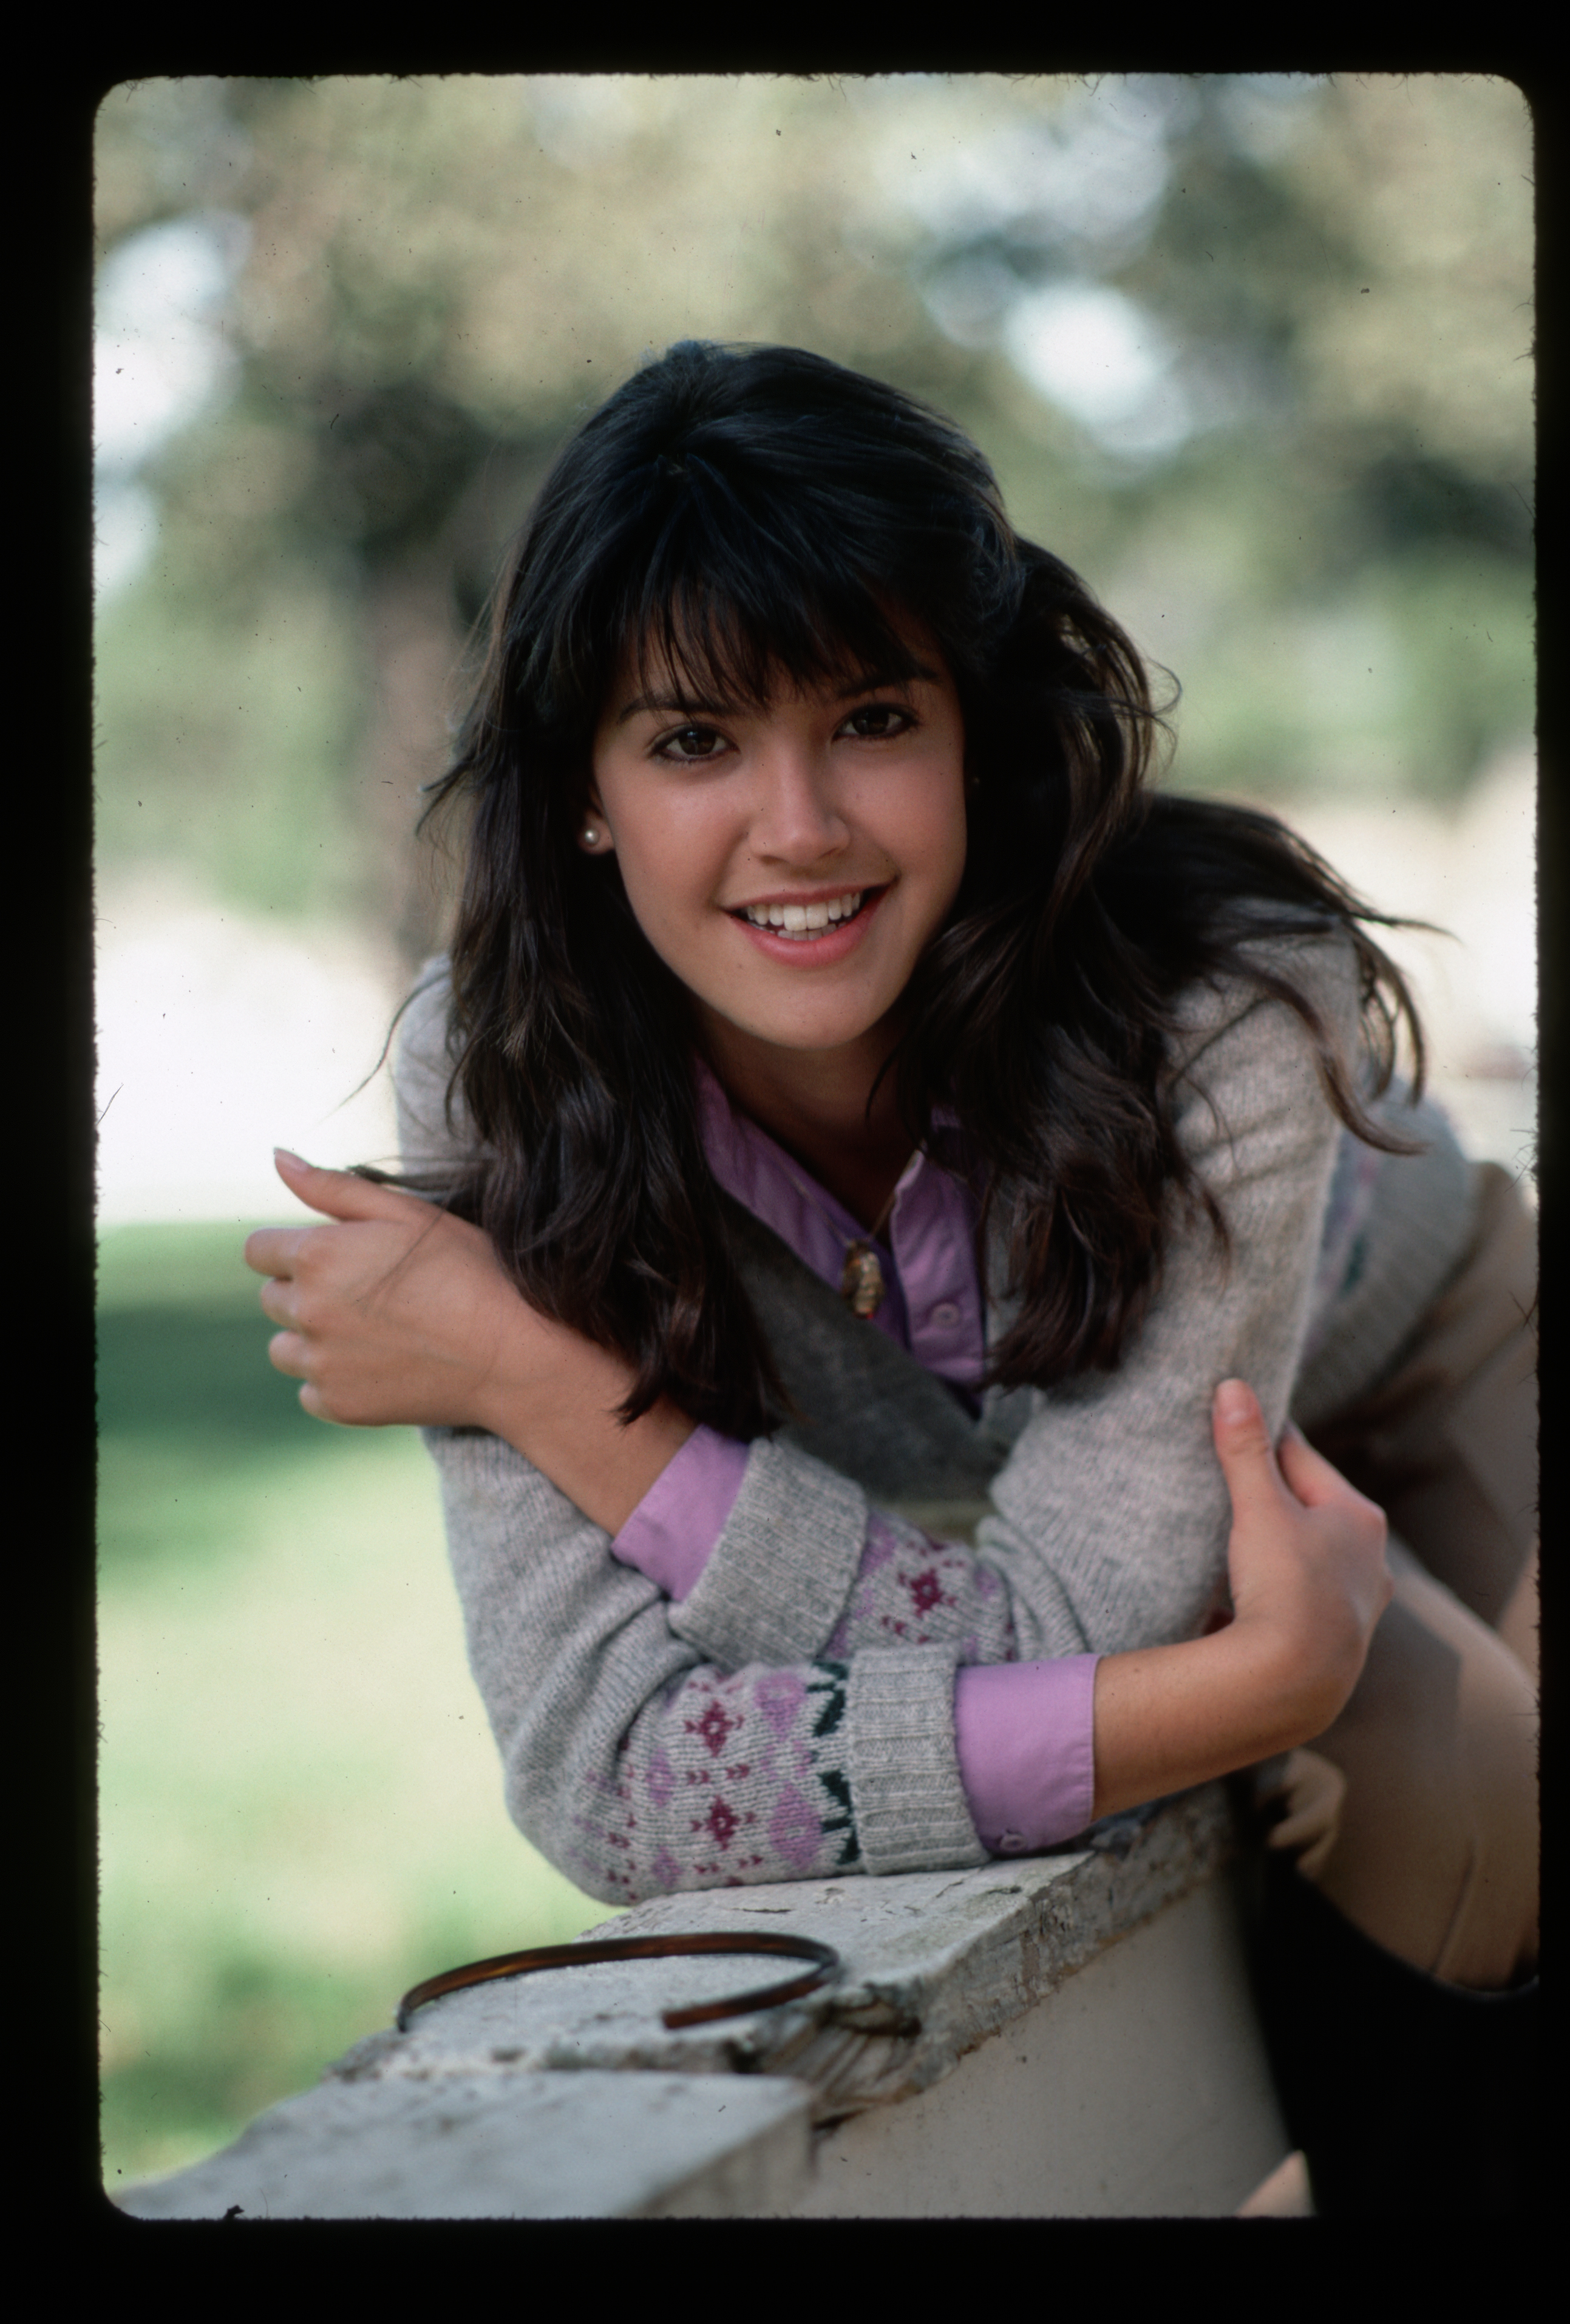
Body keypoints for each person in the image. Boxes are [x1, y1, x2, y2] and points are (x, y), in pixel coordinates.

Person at [244, 342, 1538, 2213]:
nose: (799, 826)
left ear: (974, 732)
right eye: (692, 739)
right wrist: (1248, 1689)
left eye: (866, 716)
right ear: (584, 788)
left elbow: (1071, 1609)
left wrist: (543, 1383)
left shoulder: (1221, 1000)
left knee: (1492, 1812)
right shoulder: (508, 1075)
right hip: (1051, 1508)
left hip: (1440, 1342)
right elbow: (606, 1775)